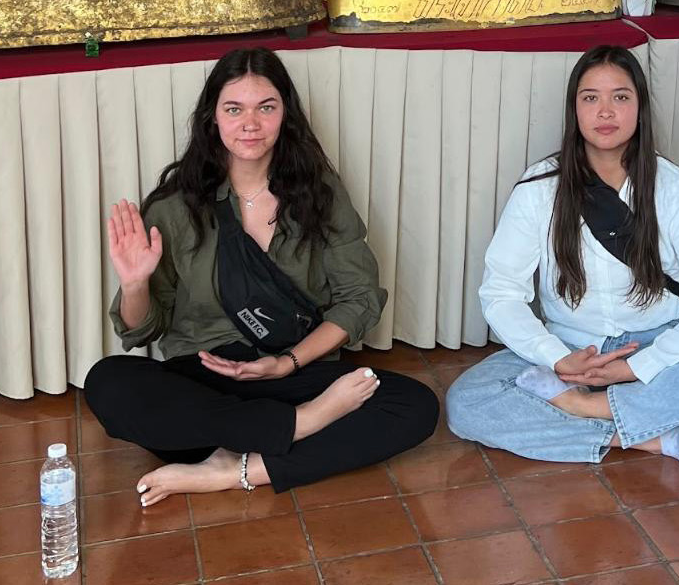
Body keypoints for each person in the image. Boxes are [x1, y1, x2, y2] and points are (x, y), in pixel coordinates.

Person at [83, 48, 438, 505]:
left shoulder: (319, 194)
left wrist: (284, 364)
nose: (250, 124)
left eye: (265, 107)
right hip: (208, 381)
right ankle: (299, 428)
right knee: (109, 382)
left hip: (295, 369)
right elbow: (143, 330)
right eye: (234, 109)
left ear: (285, 114)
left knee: (414, 405)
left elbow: (359, 298)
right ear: (212, 118)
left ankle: (232, 469)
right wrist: (134, 284)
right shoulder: (174, 207)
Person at [446, 46, 679, 466]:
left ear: (639, 107)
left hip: (655, 342)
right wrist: (556, 357)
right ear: (574, 109)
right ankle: (640, 435)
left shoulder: (670, 186)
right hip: (571, 348)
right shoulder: (540, 187)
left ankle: (583, 410)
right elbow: (501, 292)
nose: (605, 112)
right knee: (466, 404)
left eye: (621, 97)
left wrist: (639, 367)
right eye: (590, 98)